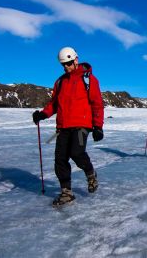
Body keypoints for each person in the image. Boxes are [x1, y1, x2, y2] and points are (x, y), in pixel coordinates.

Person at [32, 47, 104, 206]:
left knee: (77, 153)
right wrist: (43, 114)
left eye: (69, 63)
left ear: (76, 60)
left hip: (81, 125)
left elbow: (97, 104)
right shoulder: (60, 82)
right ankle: (66, 192)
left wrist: (98, 126)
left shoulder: (89, 79)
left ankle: (90, 174)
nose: (66, 67)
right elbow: (54, 104)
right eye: (63, 64)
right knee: (60, 159)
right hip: (63, 126)